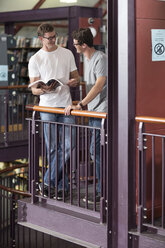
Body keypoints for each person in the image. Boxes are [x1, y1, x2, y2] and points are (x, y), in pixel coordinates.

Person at [28, 23, 80, 199]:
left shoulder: (67, 53)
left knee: (69, 144)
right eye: (49, 38)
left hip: (66, 105)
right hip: (47, 107)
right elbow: (34, 89)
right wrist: (43, 89)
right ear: (41, 39)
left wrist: (73, 82)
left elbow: (76, 77)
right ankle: (61, 189)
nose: (53, 40)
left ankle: (48, 182)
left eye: (54, 36)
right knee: (52, 149)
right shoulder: (35, 59)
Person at [64, 28, 107, 203]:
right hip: (93, 110)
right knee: (96, 151)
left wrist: (80, 104)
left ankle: (102, 192)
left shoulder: (100, 58)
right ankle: (102, 190)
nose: (75, 48)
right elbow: (90, 83)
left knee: (95, 151)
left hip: (103, 111)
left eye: (76, 45)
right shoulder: (86, 59)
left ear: (84, 44)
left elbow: (98, 86)